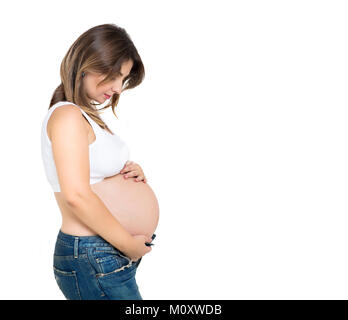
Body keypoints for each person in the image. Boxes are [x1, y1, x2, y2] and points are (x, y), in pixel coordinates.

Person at [40, 23, 154, 300]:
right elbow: (77, 195)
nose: (117, 88)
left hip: (100, 254)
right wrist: (129, 245)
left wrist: (127, 173)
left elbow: (92, 175)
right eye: (113, 75)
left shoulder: (82, 115)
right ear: (85, 64)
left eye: (123, 79)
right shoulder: (67, 116)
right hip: (93, 254)